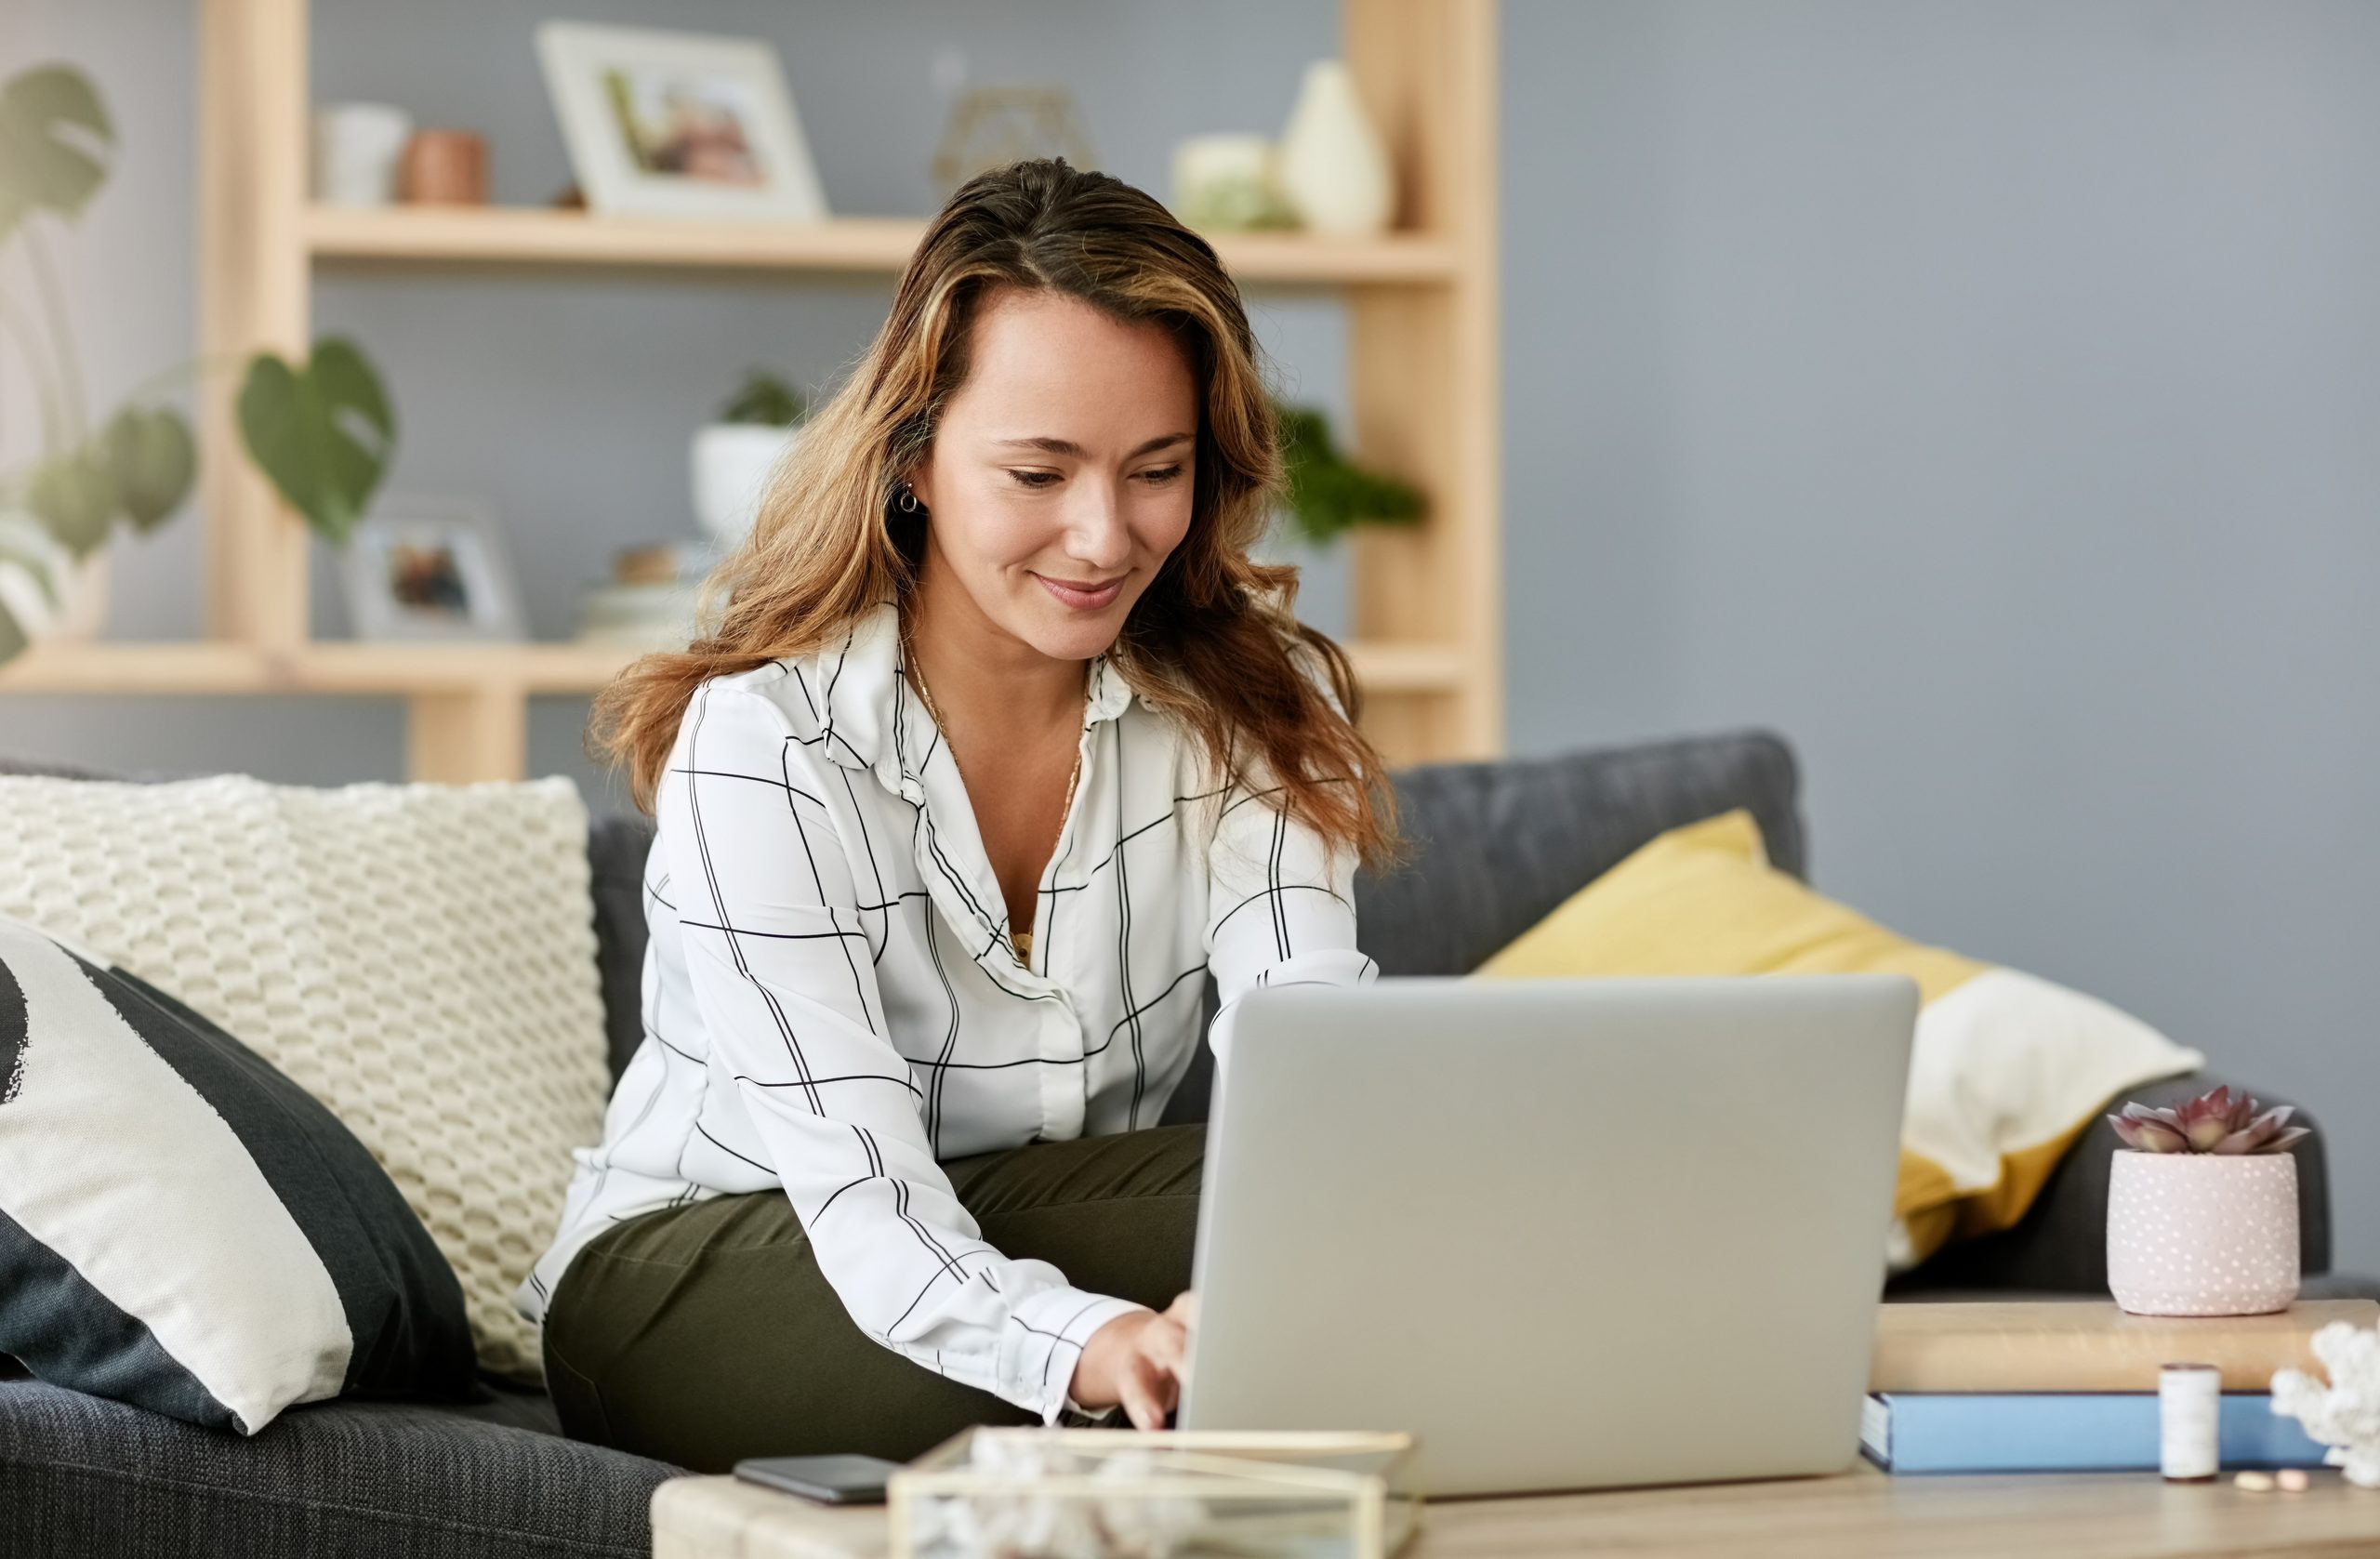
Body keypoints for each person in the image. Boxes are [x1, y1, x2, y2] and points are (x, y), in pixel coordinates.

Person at [518, 158, 1394, 1473]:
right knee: (1391, 1223)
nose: (1102, 536)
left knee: (1366, 1182)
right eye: (1039, 472)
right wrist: (1090, 1345)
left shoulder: (1252, 707)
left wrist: (1259, 1275)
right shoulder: (768, 741)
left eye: (1155, 469)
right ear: (916, 457)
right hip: (704, 1270)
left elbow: (1317, 1061)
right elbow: (868, 1200)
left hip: (1017, 1230)